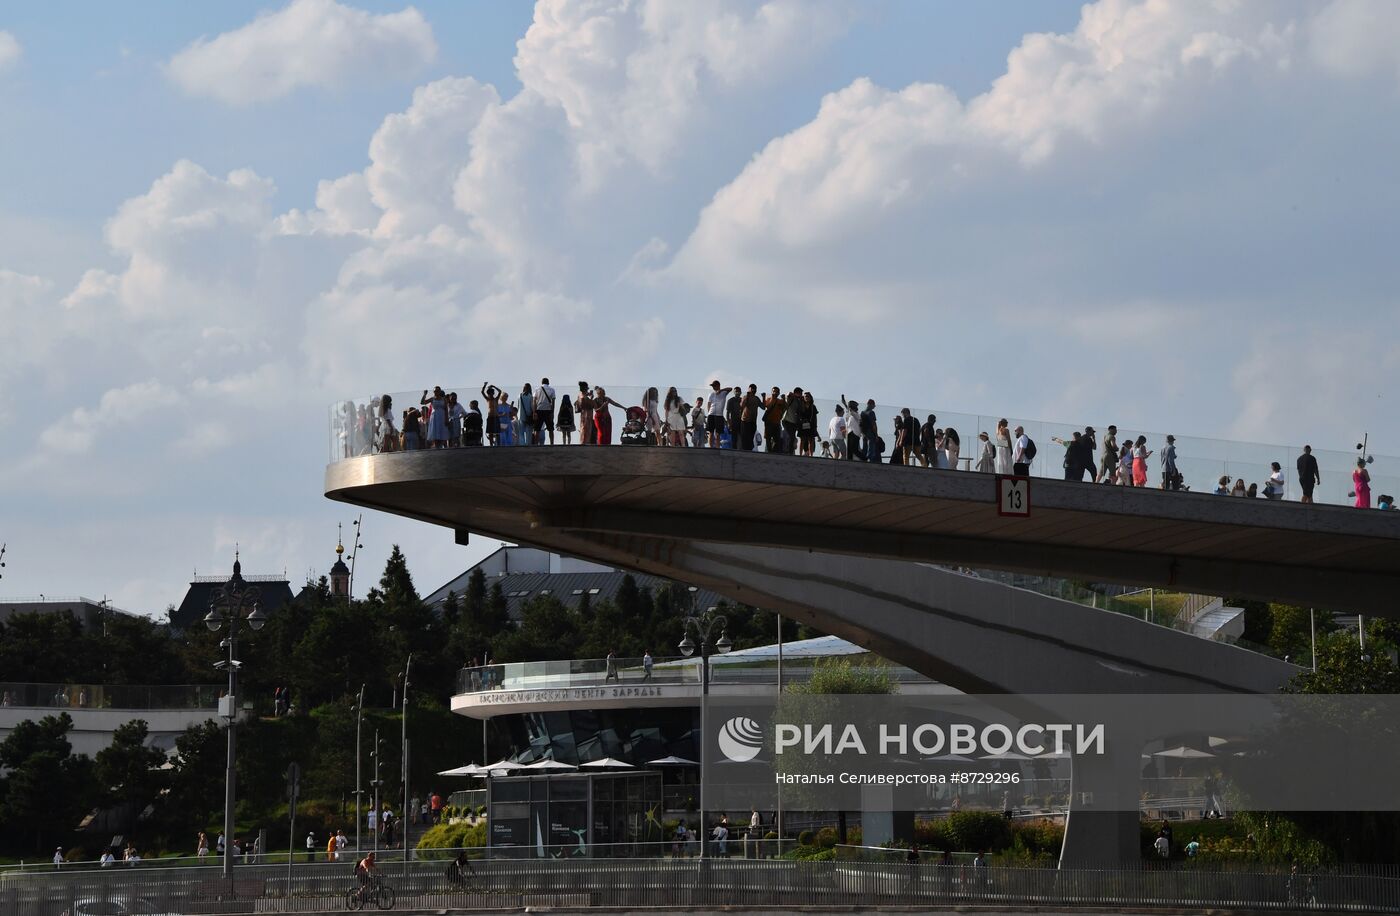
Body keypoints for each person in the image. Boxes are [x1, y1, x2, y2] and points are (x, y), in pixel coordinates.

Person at [705, 381, 730, 448]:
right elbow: (709, 404)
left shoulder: (724, 393)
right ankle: (710, 447)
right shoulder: (711, 394)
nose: (713, 387)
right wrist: (709, 413)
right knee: (711, 432)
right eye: (712, 386)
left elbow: (730, 388)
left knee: (718, 433)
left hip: (719, 415)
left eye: (714, 385)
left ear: (718, 385)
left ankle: (717, 447)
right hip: (711, 414)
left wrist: (721, 390)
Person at [762, 387, 786, 454]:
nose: (775, 393)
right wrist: (763, 397)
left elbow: (785, 407)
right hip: (768, 422)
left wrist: (784, 399)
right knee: (768, 438)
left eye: (776, 391)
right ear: (771, 392)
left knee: (777, 439)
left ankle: (774, 452)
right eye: (773, 391)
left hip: (777, 423)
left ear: (778, 393)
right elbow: (764, 406)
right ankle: (769, 452)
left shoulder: (780, 401)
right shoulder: (768, 399)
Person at [795, 391, 819, 457]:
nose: (806, 398)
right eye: (805, 396)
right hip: (802, 424)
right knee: (802, 439)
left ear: (811, 398)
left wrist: (815, 426)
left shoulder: (813, 407)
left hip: (811, 425)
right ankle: (800, 454)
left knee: (810, 440)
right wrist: (799, 423)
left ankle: (811, 455)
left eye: (808, 396)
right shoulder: (800, 406)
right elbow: (797, 415)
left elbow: (815, 417)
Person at [536, 378, 556, 445]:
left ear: (541, 382)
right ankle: (552, 443)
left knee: (537, 429)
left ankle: (536, 444)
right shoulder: (552, 390)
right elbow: (553, 402)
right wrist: (552, 412)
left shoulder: (537, 389)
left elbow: (534, 401)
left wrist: (534, 412)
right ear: (548, 383)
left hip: (539, 410)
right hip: (548, 410)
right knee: (550, 429)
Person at [860, 399, 880, 464]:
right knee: (871, 447)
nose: (874, 407)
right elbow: (873, 424)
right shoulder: (871, 412)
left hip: (863, 432)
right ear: (870, 404)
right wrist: (876, 435)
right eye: (874, 405)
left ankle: (863, 460)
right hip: (870, 432)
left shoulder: (862, 413)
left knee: (865, 446)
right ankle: (870, 461)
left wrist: (862, 432)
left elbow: (860, 424)